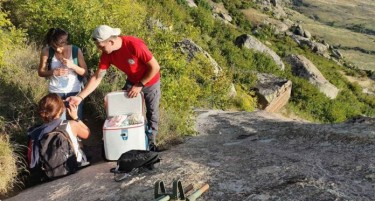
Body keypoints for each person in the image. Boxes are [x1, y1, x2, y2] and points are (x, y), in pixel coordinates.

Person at [67, 25, 161, 148]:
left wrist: (140, 85)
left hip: (150, 82)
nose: (99, 49)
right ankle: (129, 141)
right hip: (132, 81)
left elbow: (155, 67)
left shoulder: (134, 45)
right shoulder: (107, 54)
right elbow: (97, 77)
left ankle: (150, 144)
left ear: (111, 41)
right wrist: (80, 97)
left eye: (101, 46)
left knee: (152, 113)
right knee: (124, 112)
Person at [28, 93, 90, 169]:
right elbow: (87, 133)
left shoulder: (35, 132)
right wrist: (76, 117)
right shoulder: (72, 124)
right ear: (61, 110)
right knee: (78, 141)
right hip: (73, 165)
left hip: (48, 171)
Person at [38, 28, 88, 120]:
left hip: (75, 91)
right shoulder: (46, 51)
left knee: (76, 120)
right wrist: (53, 72)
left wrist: (72, 65)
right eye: (54, 46)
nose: (58, 48)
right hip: (55, 92)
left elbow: (85, 72)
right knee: (59, 121)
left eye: (62, 44)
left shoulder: (76, 51)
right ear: (50, 43)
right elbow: (40, 72)